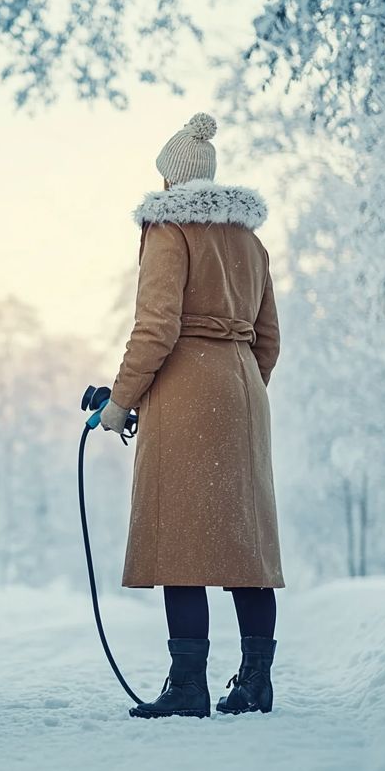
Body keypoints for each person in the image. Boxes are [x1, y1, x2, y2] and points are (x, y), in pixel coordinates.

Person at [99, 112, 284, 719]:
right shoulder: (250, 242)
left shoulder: (169, 228)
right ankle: (256, 682)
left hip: (184, 393)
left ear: (171, 180)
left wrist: (120, 402)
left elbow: (155, 329)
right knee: (243, 544)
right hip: (242, 393)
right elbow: (269, 340)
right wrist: (240, 388)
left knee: (181, 537)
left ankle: (188, 687)